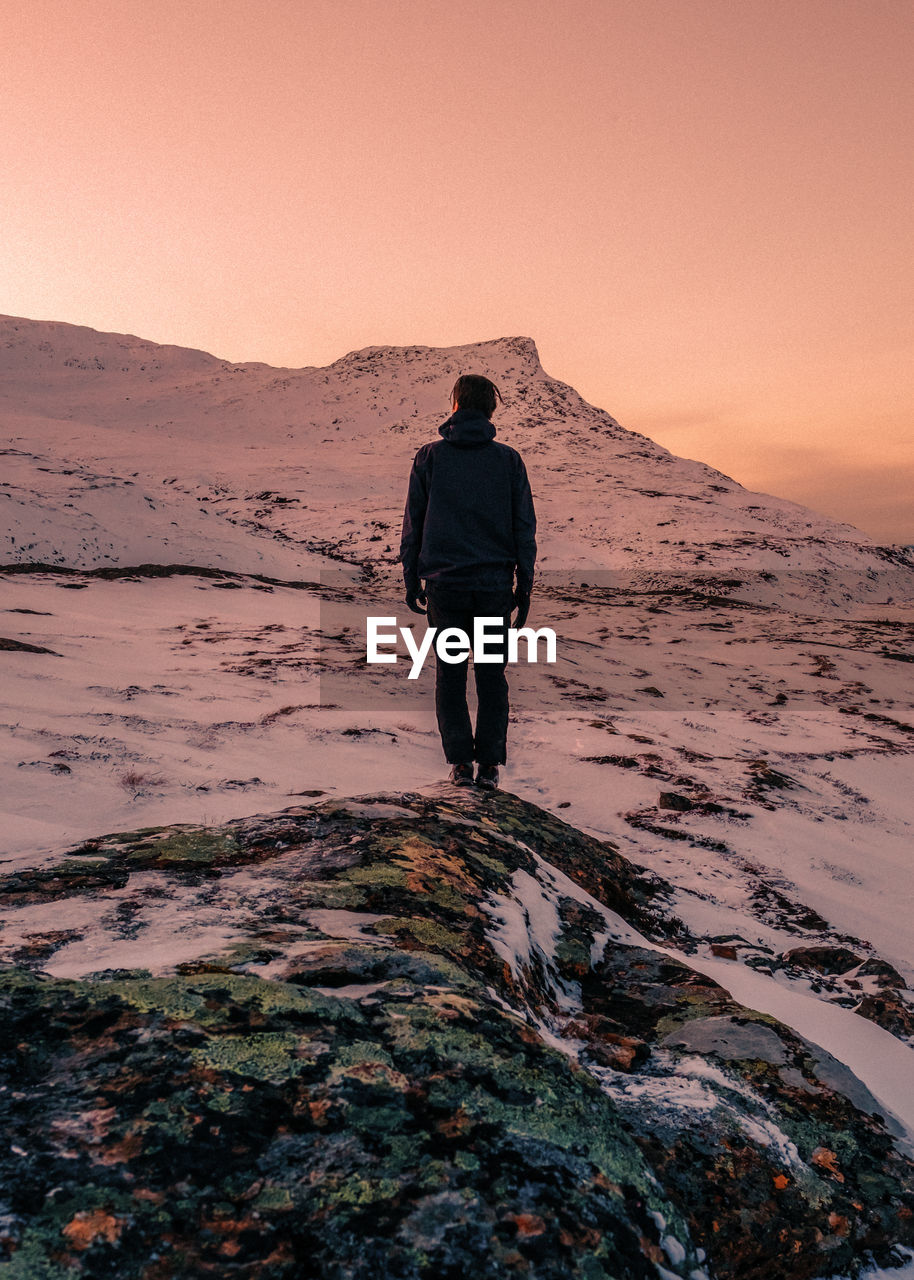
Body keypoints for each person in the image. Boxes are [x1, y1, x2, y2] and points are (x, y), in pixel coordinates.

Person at [399, 373, 537, 790]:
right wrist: (524, 585)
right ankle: (490, 765)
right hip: (494, 586)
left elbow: (414, 524)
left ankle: (460, 763)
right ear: (490, 409)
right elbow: (523, 527)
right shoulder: (508, 460)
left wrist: (411, 577)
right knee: (493, 675)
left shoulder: (429, 458)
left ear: (455, 405)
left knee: (451, 674)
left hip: (446, 585)